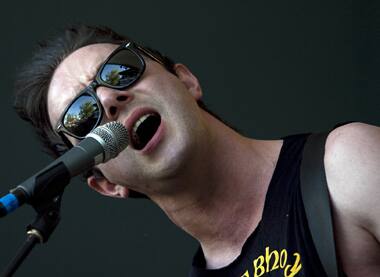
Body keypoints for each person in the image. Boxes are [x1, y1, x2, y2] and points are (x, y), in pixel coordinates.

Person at [14, 24, 380, 276]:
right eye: (81, 115)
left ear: (186, 81)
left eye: (120, 70)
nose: (109, 98)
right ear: (106, 184)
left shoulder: (348, 164)